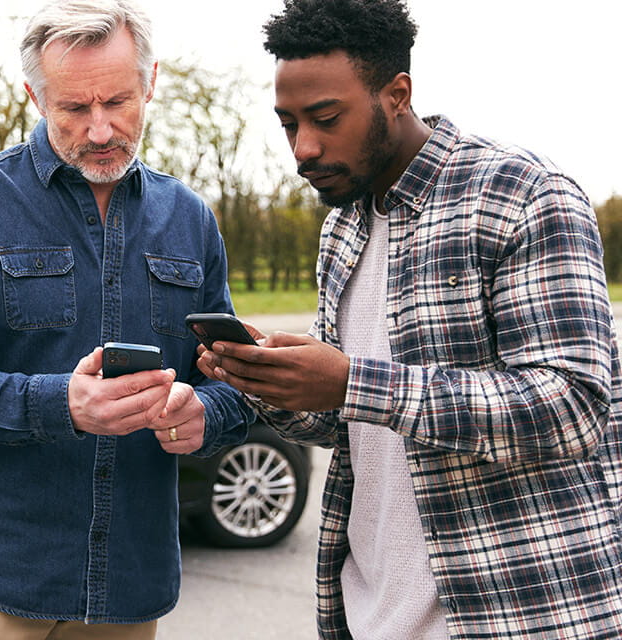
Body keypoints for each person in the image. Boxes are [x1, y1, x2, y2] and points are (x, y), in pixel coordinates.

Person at [196, 1, 622, 638]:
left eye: (326, 118)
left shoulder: (525, 195)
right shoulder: (342, 228)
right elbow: (354, 429)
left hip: (519, 614)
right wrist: (270, 382)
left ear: (397, 94)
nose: (303, 148)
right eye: (287, 124)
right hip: (373, 614)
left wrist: (352, 382)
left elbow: (572, 407)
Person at [0, 1, 253, 638]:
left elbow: (232, 376)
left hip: (129, 586)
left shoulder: (191, 217)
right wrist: (62, 404)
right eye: (74, 108)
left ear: (150, 82)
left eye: (116, 102)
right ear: (35, 96)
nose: (99, 130)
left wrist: (208, 415)